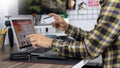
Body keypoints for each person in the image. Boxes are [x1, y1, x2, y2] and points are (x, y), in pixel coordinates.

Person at [27, 0, 120, 68]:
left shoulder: (114, 4)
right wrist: (67, 28)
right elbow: (96, 40)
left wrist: (51, 42)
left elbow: (89, 49)